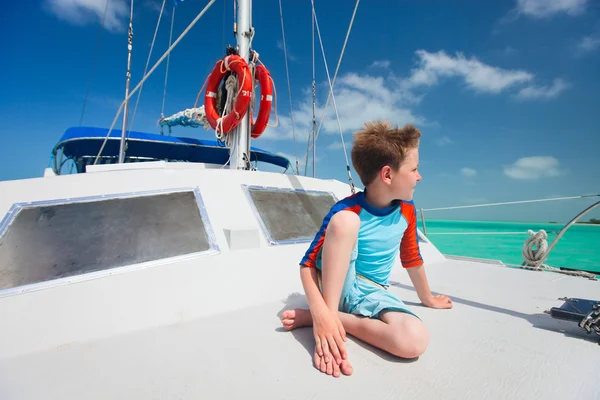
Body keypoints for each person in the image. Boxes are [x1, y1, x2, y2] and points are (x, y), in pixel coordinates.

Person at [281, 121, 453, 378]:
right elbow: (307, 265)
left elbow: (411, 257)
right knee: (345, 222)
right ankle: (328, 314)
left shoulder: (407, 210)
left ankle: (331, 320)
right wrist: (321, 309)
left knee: (414, 340)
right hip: (336, 288)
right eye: (414, 169)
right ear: (387, 175)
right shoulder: (347, 210)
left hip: (371, 294)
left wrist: (427, 298)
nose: (419, 176)